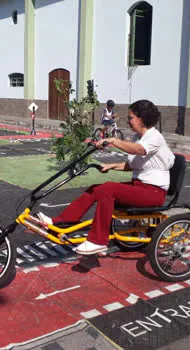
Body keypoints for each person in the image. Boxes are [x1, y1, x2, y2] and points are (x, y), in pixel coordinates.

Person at [36, 100, 175, 255]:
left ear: (141, 119)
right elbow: (133, 164)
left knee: (108, 190)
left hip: (153, 193)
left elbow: (139, 151)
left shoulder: (154, 137)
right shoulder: (138, 137)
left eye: (131, 118)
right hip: (139, 187)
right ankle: (61, 222)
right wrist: (111, 166)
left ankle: (97, 241)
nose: (128, 121)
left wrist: (113, 140)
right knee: (96, 189)